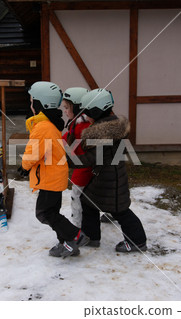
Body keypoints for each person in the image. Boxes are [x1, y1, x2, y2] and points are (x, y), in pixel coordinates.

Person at [67, 88, 147, 252]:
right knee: (88, 202)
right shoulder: (113, 126)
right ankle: (92, 237)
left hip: (111, 182)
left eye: (87, 112)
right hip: (107, 177)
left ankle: (137, 242)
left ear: (96, 111)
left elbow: (90, 159)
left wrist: (67, 159)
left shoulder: (103, 134)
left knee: (121, 212)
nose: (85, 116)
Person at [18, 81, 89, 258]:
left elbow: (33, 152)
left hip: (50, 178)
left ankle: (76, 236)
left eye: (32, 101)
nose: (31, 104)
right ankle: (68, 244)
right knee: (52, 213)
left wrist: (24, 166)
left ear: (40, 104)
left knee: (44, 213)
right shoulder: (49, 125)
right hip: (54, 177)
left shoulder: (42, 128)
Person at [61, 87, 93, 228]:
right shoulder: (82, 123)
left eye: (67, 107)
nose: (65, 111)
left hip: (83, 170)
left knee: (77, 198)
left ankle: (77, 227)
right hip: (87, 169)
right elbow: (68, 137)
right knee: (89, 197)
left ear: (78, 107)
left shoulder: (81, 128)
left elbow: (73, 145)